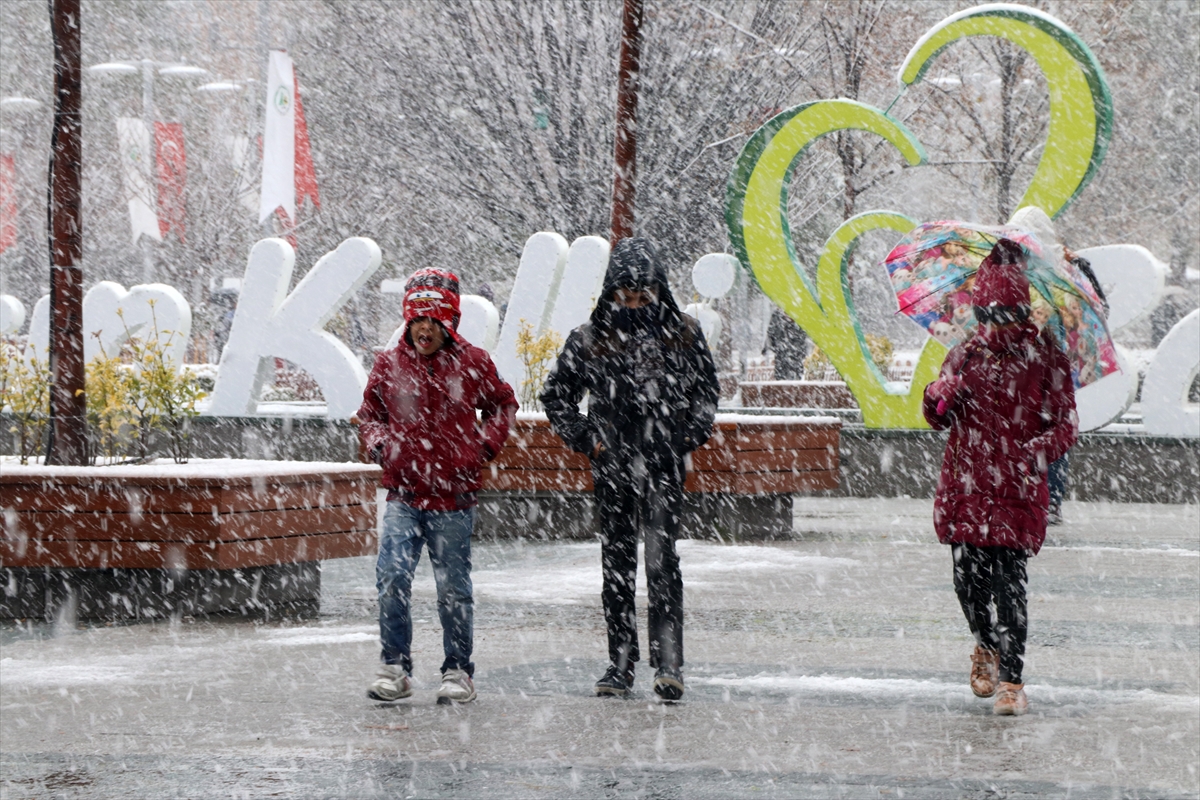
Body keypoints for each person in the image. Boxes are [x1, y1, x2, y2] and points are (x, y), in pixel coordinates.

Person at [541, 237, 719, 702]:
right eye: (626, 295)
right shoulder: (590, 338)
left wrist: (684, 437)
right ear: (611, 293)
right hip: (613, 467)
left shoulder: (683, 334)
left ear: (659, 290)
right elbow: (556, 394)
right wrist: (590, 441)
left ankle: (669, 664)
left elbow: (706, 392)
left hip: (663, 466)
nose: (634, 304)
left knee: (662, 564)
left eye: (643, 295)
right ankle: (620, 663)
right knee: (616, 566)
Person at [923, 239, 1078, 716]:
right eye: (986, 315)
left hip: (1016, 486)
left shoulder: (1044, 357)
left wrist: (1038, 453)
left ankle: (1012, 680)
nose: (994, 326)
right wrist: (940, 393)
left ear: (1019, 310)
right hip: (967, 483)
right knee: (967, 580)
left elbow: (1066, 422)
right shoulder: (964, 355)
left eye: (1004, 314)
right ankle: (984, 645)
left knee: (1010, 583)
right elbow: (936, 416)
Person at [357, 268, 517, 705]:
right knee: (392, 577)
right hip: (404, 496)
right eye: (416, 321)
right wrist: (379, 444)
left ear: (449, 323)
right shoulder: (389, 364)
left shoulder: (474, 363)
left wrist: (482, 447)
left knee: (453, 588)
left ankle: (458, 670)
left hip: (452, 498)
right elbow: (369, 414)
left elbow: (503, 404)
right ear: (406, 322)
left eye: (434, 321)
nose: (424, 329)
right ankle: (395, 666)